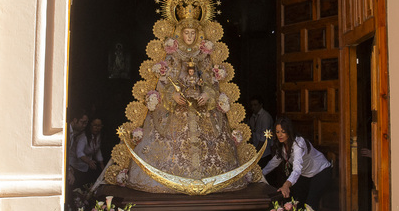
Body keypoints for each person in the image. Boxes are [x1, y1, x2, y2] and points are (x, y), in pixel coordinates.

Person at [124, 17, 246, 192]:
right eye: (186, 33)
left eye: (193, 33)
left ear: (198, 35)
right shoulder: (173, 55)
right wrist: (172, 95)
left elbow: (211, 83)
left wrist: (207, 94)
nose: (189, 36)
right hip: (177, 110)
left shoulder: (203, 56)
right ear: (180, 34)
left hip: (202, 108)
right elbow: (165, 83)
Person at [262, 116, 332, 211]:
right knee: (295, 201)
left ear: (289, 131)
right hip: (305, 175)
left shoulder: (299, 143)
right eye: (277, 132)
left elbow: (297, 169)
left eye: (283, 131)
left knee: (310, 205)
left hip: (321, 172)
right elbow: (273, 162)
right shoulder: (282, 146)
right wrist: (260, 174)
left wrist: (286, 185)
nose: (280, 135)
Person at [71, 117, 104, 185]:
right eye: (95, 125)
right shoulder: (83, 137)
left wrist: (102, 166)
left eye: (99, 126)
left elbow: (97, 150)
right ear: (90, 125)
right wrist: (89, 161)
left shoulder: (98, 136)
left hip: (86, 166)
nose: (97, 128)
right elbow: (79, 152)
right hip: (75, 165)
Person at [247, 96, 274, 166]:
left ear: (261, 105)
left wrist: (256, 152)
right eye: (252, 105)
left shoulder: (265, 117)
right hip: (256, 149)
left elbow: (264, 137)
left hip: (264, 152)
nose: (253, 107)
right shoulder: (252, 117)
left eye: (255, 105)